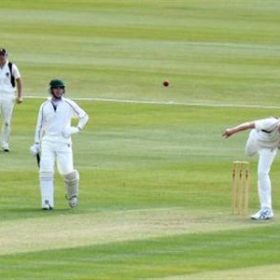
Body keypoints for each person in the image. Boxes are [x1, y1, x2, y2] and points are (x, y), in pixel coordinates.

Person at [30, 79, 89, 210]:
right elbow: (39, 126)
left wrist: (76, 129)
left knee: (67, 171)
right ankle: (47, 202)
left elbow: (84, 116)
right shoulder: (44, 106)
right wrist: (36, 143)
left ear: (63, 90)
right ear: (51, 90)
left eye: (60, 88)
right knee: (45, 170)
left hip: (64, 142)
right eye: (56, 88)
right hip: (48, 142)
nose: (58, 90)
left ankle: (73, 194)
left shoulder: (68, 104)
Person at [222, 116, 280, 220]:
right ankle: (255, 136)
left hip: (269, 148)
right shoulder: (270, 123)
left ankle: (266, 209)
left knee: (262, 173)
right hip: (256, 139)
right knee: (249, 152)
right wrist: (232, 131)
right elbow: (248, 124)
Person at [0, 47, 23, 152]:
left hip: (8, 96)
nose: (1, 57)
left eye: (3, 55)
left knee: (6, 122)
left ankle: (5, 144)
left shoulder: (11, 66)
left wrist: (19, 96)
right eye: (0, 55)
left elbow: (19, 80)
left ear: (6, 56)